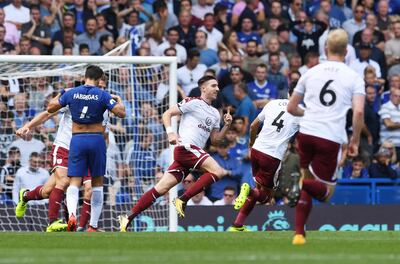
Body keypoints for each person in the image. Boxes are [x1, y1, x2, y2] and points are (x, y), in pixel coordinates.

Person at [118, 75, 233, 231]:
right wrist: (171, 133)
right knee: (218, 171)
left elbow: (215, 141)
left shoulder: (214, 114)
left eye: (218, 86)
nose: (217, 89)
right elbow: (167, 114)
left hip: (191, 155)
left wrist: (226, 126)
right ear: (203, 88)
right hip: (186, 148)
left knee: (160, 189)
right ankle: (183, 199)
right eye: (213, 85)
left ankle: (127, 217)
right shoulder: (192, 102)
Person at [287, 29, 365, 245]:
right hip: (329, 137)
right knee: (326, 193)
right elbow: (358, 112)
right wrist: (354, 141)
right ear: (347, 50)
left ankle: (299, 234)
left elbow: (292, 107)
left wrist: (310, 113)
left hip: (306, 133)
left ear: (325, 48)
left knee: (308, 181)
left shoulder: (310, 72)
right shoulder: (354, 77)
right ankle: (298, 184)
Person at [15, 76, 113, 232]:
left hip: (88, 151)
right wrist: (28, 126)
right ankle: (51, 221)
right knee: (60, 184)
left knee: (86, 189)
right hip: (65, 147)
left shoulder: (105, 107)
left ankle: (81, 228)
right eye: (97, 86)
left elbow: (104, 134)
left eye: (102, 87)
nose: (99, 90)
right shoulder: (74, 97)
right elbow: (47, 113)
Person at [47, 65, 125, 232]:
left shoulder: (72, 92)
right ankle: (93, 226)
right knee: (97, 183)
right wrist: (119, 100)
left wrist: (61, 95)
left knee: (74, 182)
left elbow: (50, 107)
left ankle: (72, 214)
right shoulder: (103, 94)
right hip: (97, 140)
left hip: (77, 140)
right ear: (98, 79)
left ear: (85, 76)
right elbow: (121, 113)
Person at [228, 84, 300, 232]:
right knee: (266, 197)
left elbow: (253, 126)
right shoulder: (300, 114)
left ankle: (237, 225)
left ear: (288, 93)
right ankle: (247, 191)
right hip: (272, 156)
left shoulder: (272, 103)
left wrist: (252, 143)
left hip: (257, 150)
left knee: (258, 189)